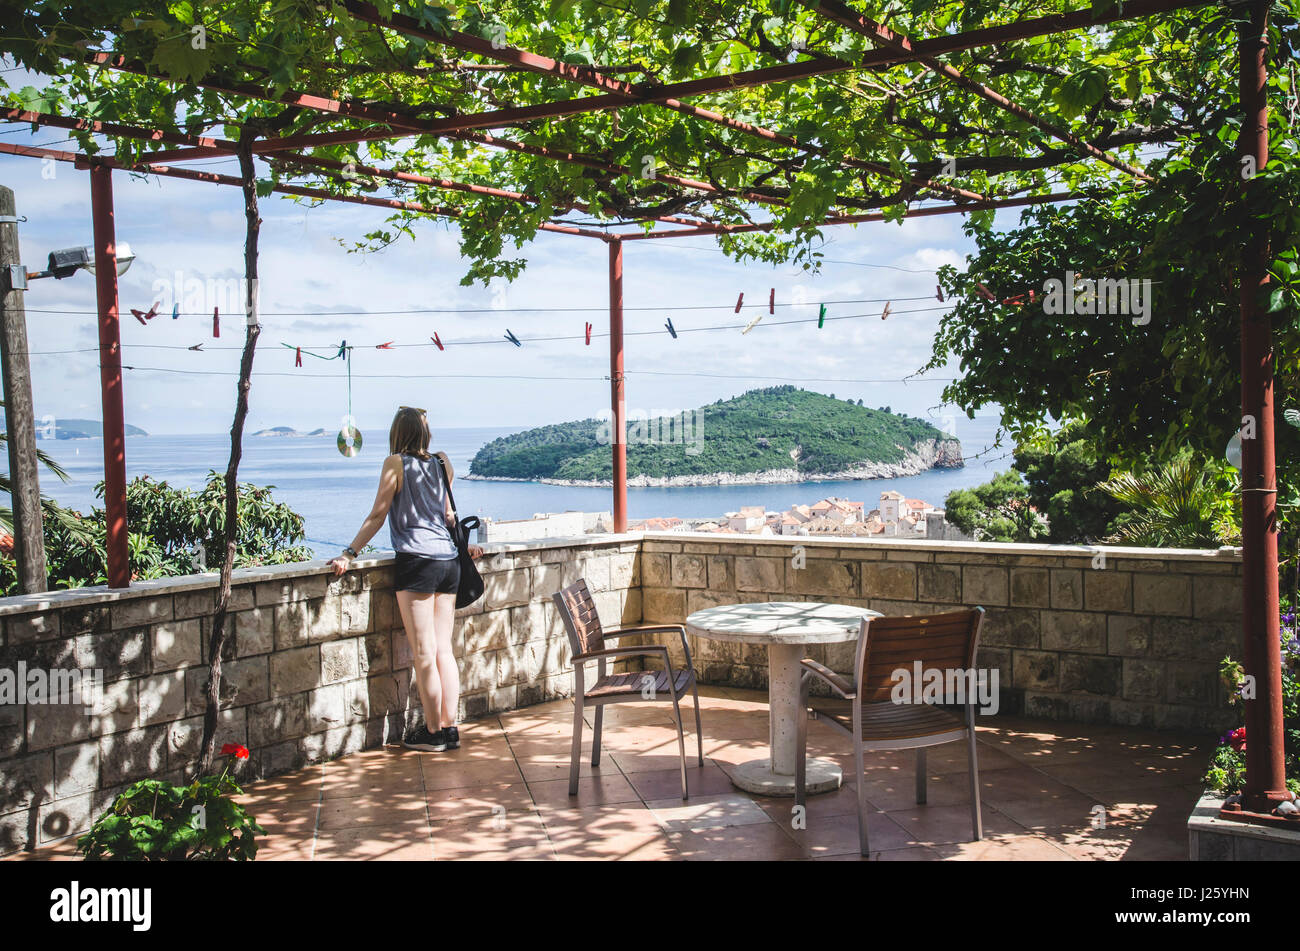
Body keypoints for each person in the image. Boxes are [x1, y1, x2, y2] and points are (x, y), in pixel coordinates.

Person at [329, 406, 483, 752]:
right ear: (425, 433)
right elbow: (447, 515)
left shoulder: (395, 463)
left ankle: (433, 733)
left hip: (417, 562)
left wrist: (349, 553)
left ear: (397, 432)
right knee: (444, 650)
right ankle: (450, 727)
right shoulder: (443, 462)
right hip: (448, 562)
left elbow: (378, 514)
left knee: (425, 653)